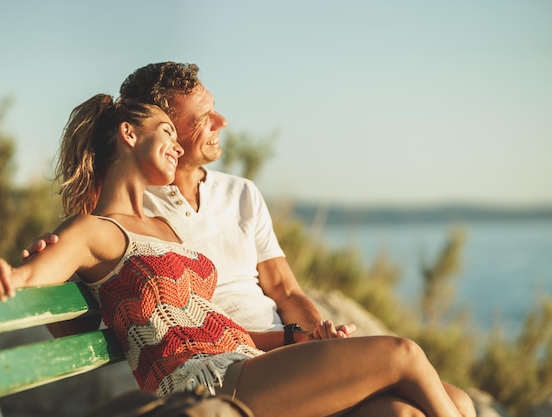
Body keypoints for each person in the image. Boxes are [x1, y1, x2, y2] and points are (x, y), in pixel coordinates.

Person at [24, 62, 475, 417]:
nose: (221, 120)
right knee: (403, 355)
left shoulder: (240, 193)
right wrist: (43, 262)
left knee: (439, 406)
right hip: (232, 373)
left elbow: (286, 290)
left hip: (277, 356)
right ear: (164, 128)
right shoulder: (137, 216)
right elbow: (87, 286)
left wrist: (314, 339)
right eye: (201, 118)